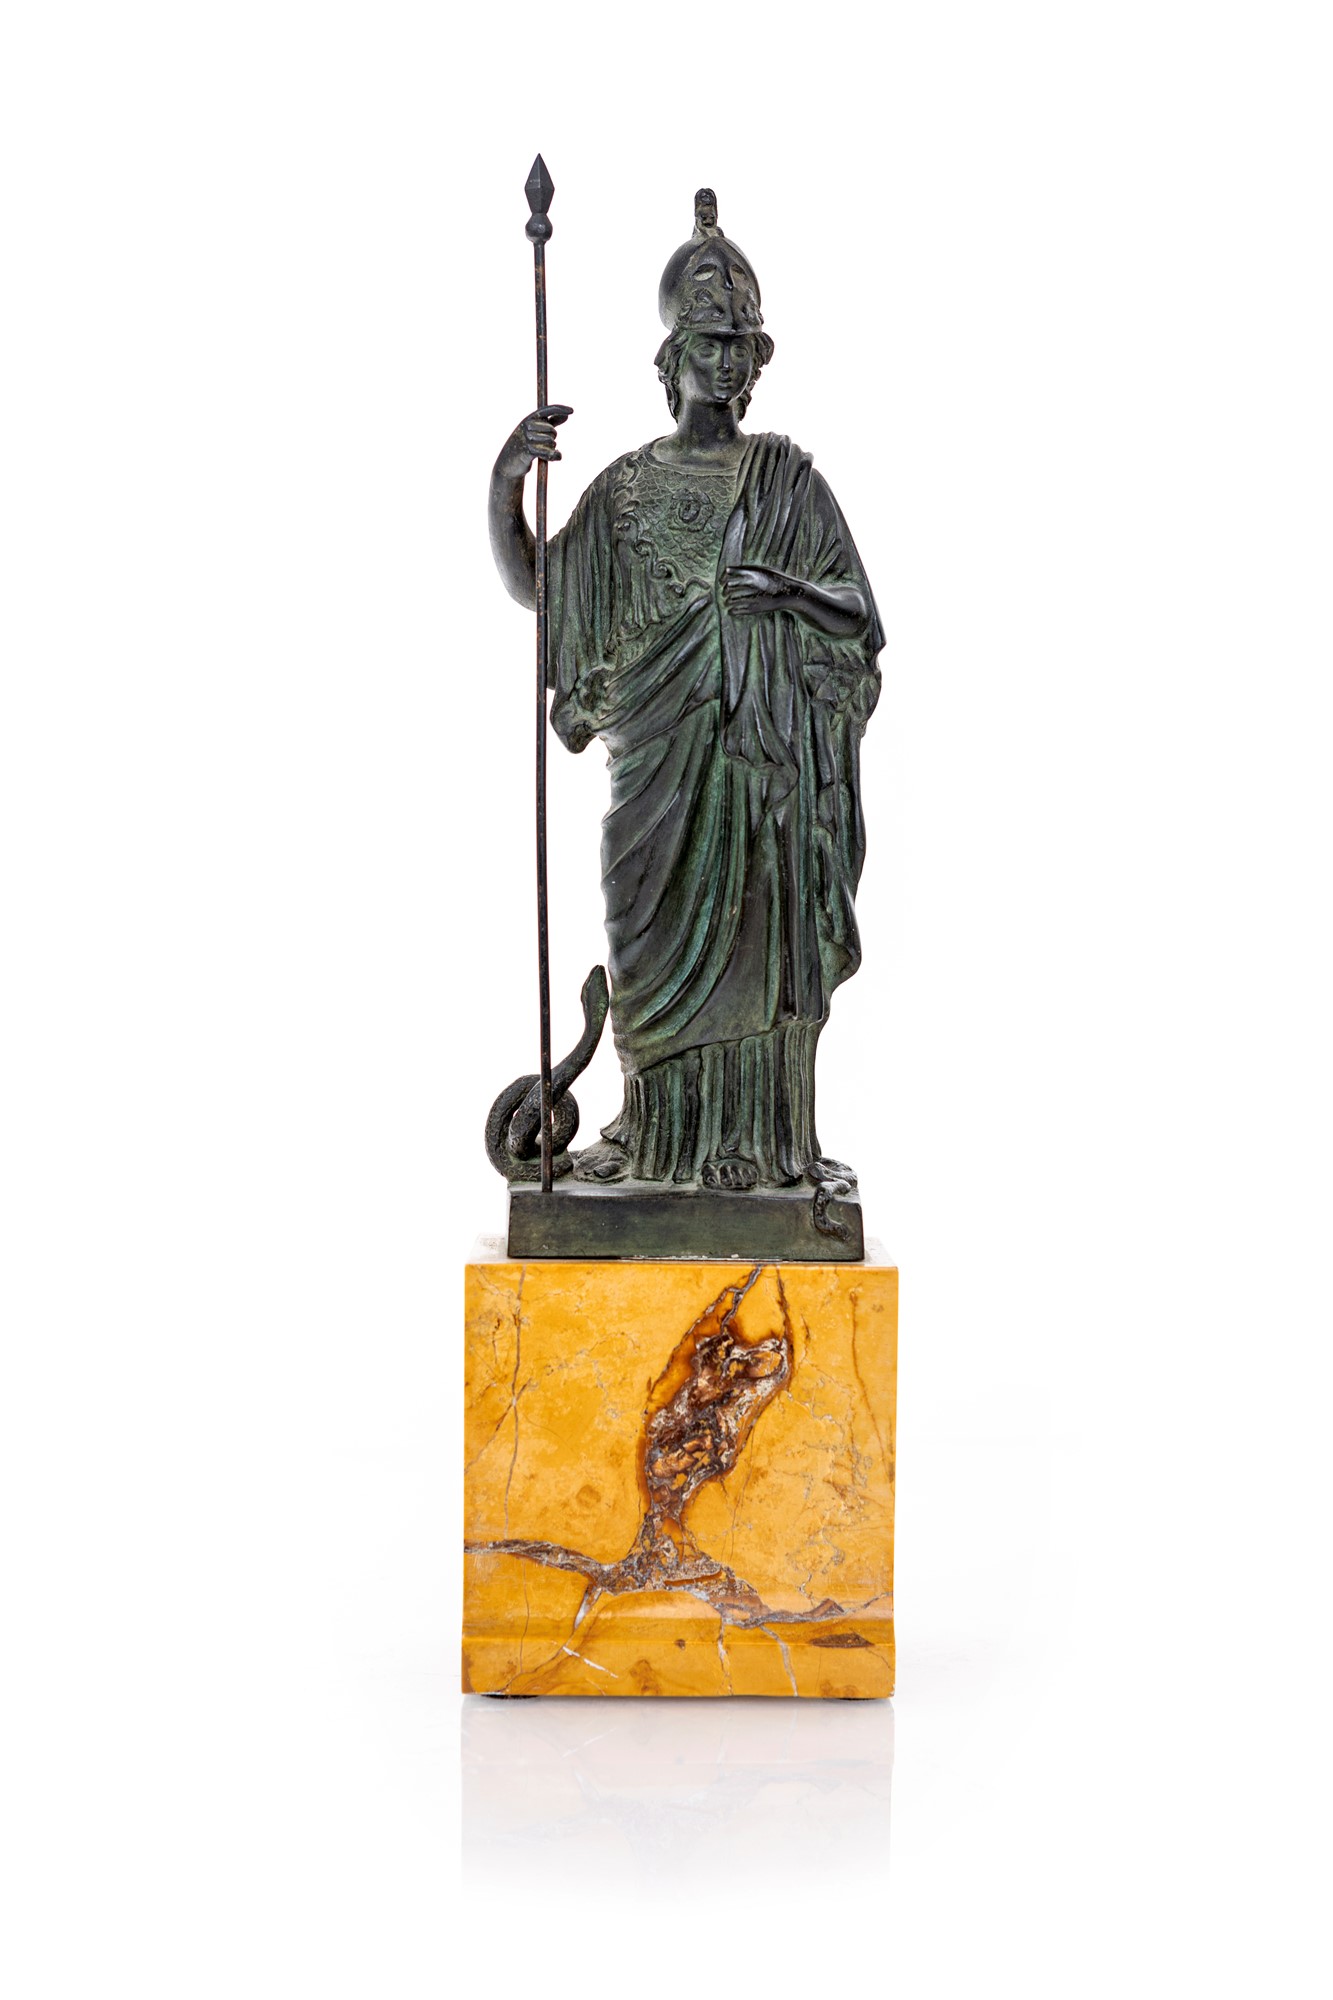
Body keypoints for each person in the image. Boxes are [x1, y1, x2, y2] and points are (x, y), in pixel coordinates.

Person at [489, 191, 882, 1193]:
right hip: (655, 772)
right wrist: (505, 483)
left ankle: (759, 1148)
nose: (726, 361)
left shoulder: (788, 484)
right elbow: (544, 589)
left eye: (740, 345)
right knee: (644, 949)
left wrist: (786, 593)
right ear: (670, 358)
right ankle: (656, 1140)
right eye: (708, 342)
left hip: (760, 776)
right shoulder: (624, 490)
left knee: (757, 946)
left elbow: (858, 615)